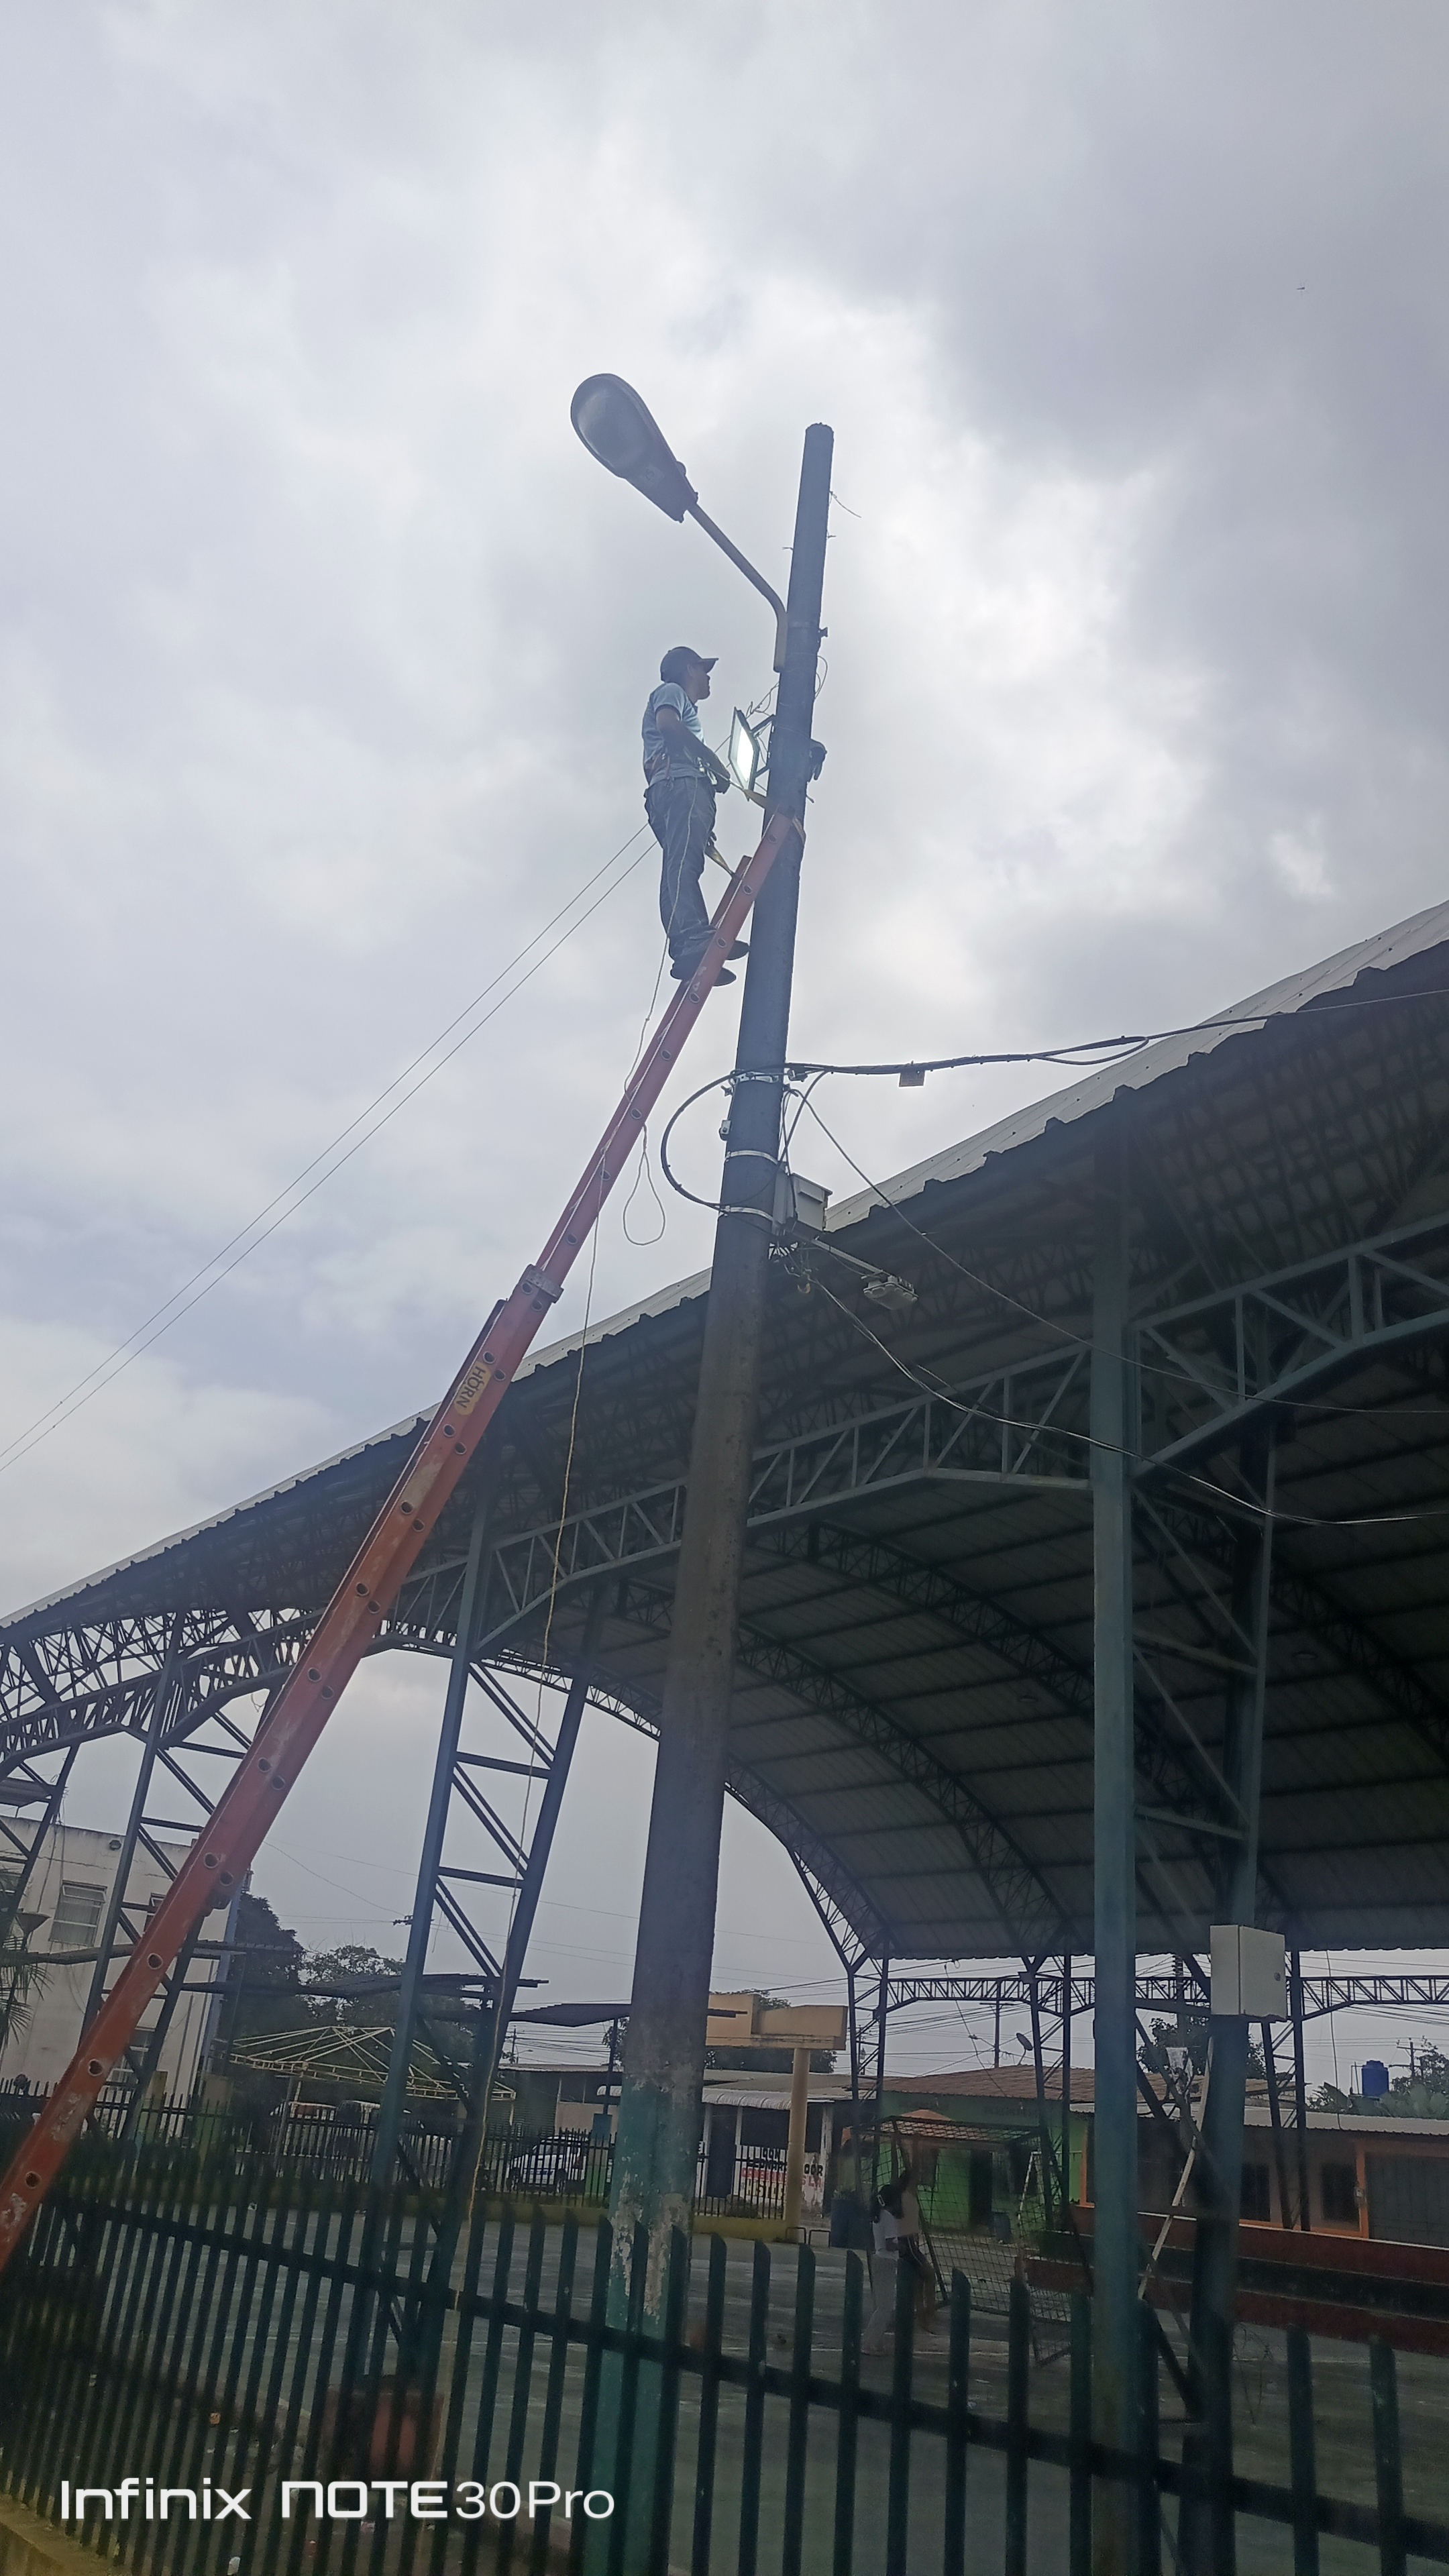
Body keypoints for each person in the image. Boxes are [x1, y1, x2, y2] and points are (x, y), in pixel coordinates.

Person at [641, 646, 748, 985]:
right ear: (689, 669)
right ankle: (690, 937)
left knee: (681, 861)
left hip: (675, 789)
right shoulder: (672, 693)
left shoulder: (677, 701)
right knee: (682, 863)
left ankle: (690, 946)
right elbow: (667, 724)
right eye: (704, 670)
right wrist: (711, 760)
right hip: (680, 785)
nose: (708, 678)